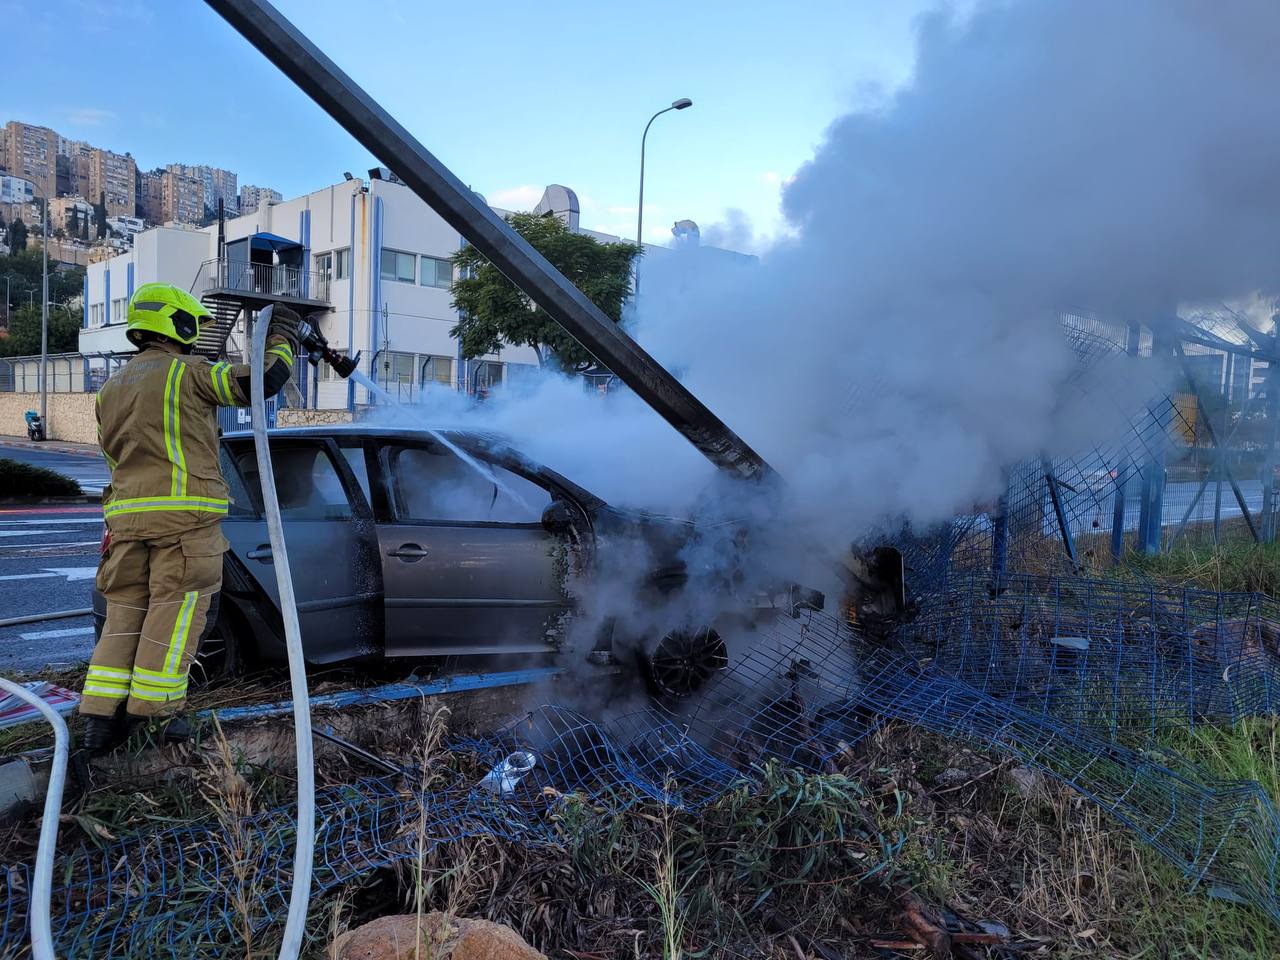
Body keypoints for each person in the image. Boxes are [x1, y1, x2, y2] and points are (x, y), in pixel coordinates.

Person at [79, 283, 300, 754]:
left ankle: (100, 718)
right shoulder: (188, 373)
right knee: (174, 616)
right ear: (175, 323)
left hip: (126, 524)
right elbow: (259, 383)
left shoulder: (110, 389)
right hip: (183, 522)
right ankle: (155, 717)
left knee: (125, 616)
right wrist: (284, 335)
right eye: (192, 324)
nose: (196, 333)